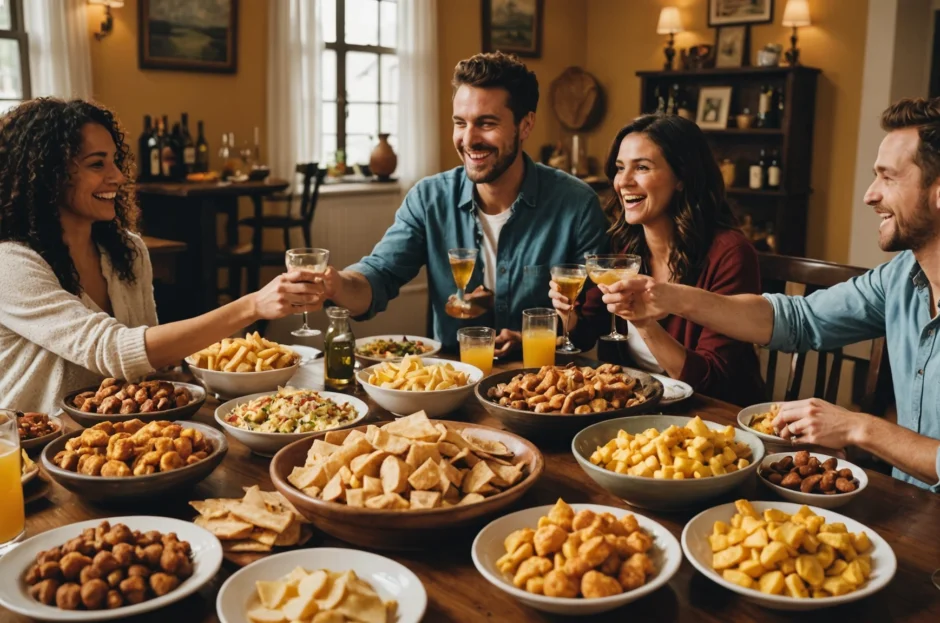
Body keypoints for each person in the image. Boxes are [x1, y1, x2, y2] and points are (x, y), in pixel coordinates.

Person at [609, 97, 940, 492]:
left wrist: (859, 428)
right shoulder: (899, 277)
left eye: (888, 177)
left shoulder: (727, 247)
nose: (870, 195)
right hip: (912, 506)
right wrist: (667, 297)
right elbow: (797, 319)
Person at [0, 98, 321, 413]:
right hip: (26, 447)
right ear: (47, 176)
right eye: (97, 164)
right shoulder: (10, 264)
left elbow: (147, 366)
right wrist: (252, 306)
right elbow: (113, 350)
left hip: (116, 435)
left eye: (115, 161)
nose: (118, 176)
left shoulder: (126, 250)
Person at [311, 52, 608, 354]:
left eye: (486, 123)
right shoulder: (429, 199)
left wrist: (535, 338)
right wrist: (337, 284)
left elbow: (591, 326)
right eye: (460, 123)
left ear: (526, 125)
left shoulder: (577, 205)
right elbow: (380, 274)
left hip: (543, 388)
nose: (469, 139)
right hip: (453, 383)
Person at [549, 114, 765, 406]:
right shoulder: (624, 249)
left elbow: (713, 383)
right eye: (620, 168)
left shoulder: (730, 255)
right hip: (636, 410)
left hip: (711, 418)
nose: (623, 182)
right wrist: (568, 312)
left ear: (682, 177)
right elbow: (588, 331)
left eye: (642, 167)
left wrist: (646, 325)